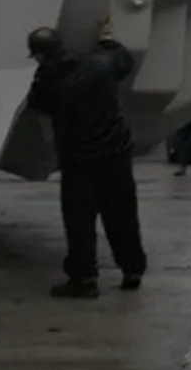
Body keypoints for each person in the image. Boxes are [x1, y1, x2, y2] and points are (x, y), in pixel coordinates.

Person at [26, 22, 147, 298]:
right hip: (115, 152)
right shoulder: (100, 64)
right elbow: (124, 59)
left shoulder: (48, 79)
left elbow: (38, 105)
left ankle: (84, 278)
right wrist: (105, 38)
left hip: (78, 158)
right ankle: (132, 269)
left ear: (39, 54)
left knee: (79, 219)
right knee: (122, 213)